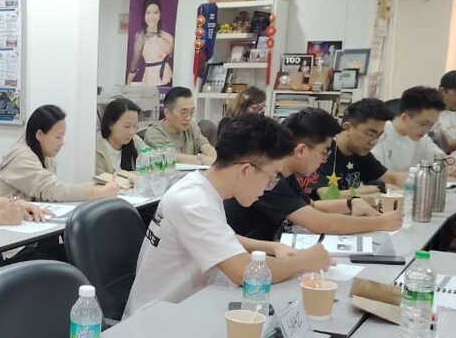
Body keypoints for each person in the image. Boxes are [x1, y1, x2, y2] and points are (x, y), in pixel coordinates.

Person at [124, 114, 330, 319]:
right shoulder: (193, 202)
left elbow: (219, 235)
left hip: (188, 306)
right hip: (156, 319)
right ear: (247, 170)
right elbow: (243, 272)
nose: (269, 186)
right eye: (272, 177)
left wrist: (272, 247)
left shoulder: (202, 185)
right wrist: (305, 260)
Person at [225, 108, 403, 241]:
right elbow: (319, 222)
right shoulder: (269, 178)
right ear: (301, 150)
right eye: (324, 151)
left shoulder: (287, 173)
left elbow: (312, 206)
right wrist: (381, 222)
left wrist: (351, 202)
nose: (324, 160)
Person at [0, 105, 119, 202]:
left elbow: (57, 188)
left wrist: (98, 186)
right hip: (4, 222)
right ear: (39, 135)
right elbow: (53, 190)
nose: (62, 143)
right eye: (58, 137)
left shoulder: (45, 153)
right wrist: (98, 192)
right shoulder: (21, 157)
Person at [304, 97, 405, 196]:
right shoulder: (323, 151)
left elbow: (391, 178)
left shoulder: (361, 152)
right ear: (347, 128)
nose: (373, 142)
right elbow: (326, 195)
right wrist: (379, 188)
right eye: (370, 134)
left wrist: (412, 182)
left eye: (379, 136)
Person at [373, 86, 456, 178]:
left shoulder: (421, 138)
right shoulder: (379, 136)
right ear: (405, 117)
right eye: (423, 124)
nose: (426, 130)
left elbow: (441, 159)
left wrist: (452, 166)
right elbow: (377, 177)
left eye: (431, 125)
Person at [142, 86, 217, 165]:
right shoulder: (154, 133)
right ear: (167, 112)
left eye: (191, 112)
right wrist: (202, 160)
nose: (188, 118)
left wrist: (214, 158)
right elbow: (171, 158)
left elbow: (206, 146)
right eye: (183, 113)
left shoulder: (191, 126)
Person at [126, 0, 174, 87]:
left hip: (167, 78)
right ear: (144, 15)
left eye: (155, 12)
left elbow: (170, 57)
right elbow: (134, 64)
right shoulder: (141, 36)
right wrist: (128, 83)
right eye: (148, 12)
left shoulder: (168, 37)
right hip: (150, 79)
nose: (152, 17)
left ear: (160, 15)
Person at [95, 97, 147, 176]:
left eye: (135, 126)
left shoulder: (134, 139)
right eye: (127, 126)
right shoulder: (97, 148)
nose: (131, 132)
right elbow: (100, 180)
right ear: (110, 124)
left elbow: (152, 161)